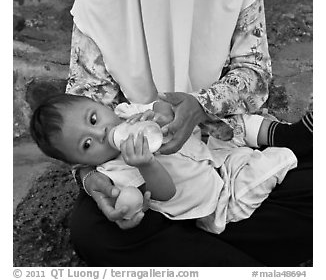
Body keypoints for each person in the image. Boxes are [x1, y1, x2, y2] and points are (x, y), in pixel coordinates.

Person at [64, 0, 312, 266]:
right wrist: (91, 180)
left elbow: (254, 72)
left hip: (224, 152)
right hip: (138, 170)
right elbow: (85, 102)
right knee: (91, 230)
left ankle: (192, 255)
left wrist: (199, 106)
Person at [30, 93, 300, 235]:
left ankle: (288, 144)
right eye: (86, 145)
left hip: (215, 162)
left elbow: (161, 106)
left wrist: (159, 113)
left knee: (241, 154)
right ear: (79, 163)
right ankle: (295, 153)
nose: (101, 133)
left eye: (93, 119)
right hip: (216, 201)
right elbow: (165, 193)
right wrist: (146, 164)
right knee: (273, 165)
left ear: (99, 104)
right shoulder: (115, 172)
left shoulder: (126, 114)